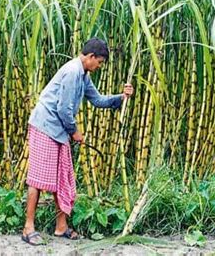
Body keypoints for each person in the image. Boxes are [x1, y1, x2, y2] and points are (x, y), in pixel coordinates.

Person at [21, 37, 134, 245]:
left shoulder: (83, 75)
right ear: (90, 57)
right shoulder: (73, 72)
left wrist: (121, 97)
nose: (99, 67)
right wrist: (75, 132)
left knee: (60, 175)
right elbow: (63, 108)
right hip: (45, 126)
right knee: (38, 178)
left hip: (58, 129)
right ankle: (28, 228)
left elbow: (98, 100)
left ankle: (61, 227)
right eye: (99, 62)